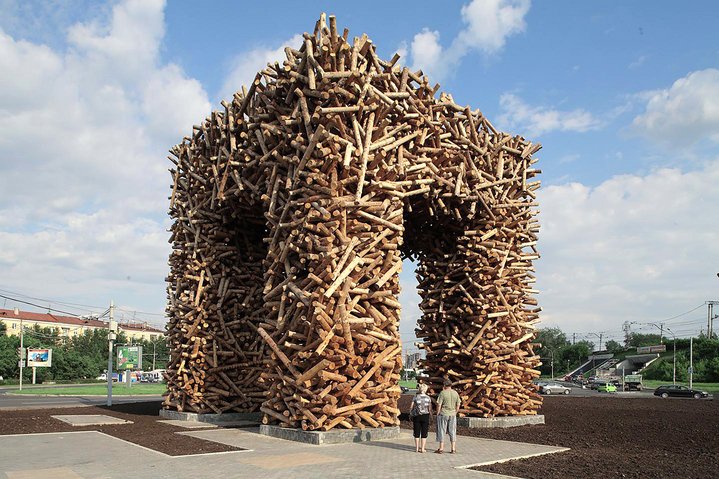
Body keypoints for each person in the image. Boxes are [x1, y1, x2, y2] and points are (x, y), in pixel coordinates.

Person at [435, 378, 461, 454]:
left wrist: (437, 413)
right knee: (452, 431)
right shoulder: (455, 393)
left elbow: (439, 404)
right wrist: (456, 411)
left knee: (442, 430)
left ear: (444, 385)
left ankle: (441, 448)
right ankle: (453, 448)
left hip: (444, 413)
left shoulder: (443, 393)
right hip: (452, 414)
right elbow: (458, 404)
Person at [410, 383, 431, 453]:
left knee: (416, 432)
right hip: (425, 416)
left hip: (417, 416)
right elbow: (429, 408)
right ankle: (422, 448)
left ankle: (416, 448)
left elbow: (411, 406)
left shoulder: (415, 397)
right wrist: (431, 415)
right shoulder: (428, 398)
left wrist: (410, 413)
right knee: (424, 432)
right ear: (425, 389)